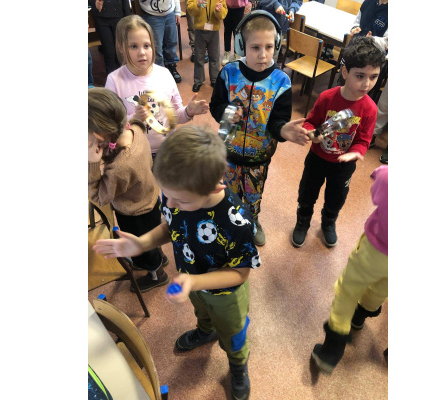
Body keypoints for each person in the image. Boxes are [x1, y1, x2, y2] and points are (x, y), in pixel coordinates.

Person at [93, 126, 260, 400]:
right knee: (202, 312)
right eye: (166, 195)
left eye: (179, 200)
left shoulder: (236, 221)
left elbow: (240, 272)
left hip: (225, 295)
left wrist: (195, 281)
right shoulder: (178, 194)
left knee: (233, 331)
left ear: (215, 187)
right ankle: (205, 330)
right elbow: (171, 226)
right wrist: (141, 243)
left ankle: (238, 362)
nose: (169, 204)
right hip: (191, 281)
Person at [210, 10, 311, 247]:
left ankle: (252, 220)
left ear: (277, 45)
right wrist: (227, 112)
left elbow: (278, 119)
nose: (263, 55)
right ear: (241, 45)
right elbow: (216, 106)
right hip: (228, 154)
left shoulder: (281, 81)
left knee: (254, 194)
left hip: (260, 158)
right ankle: (229, 220)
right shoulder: (229, 73)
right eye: (255, 47)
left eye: (269, 47)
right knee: (228, 192)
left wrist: (282, 131)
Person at [291, 36, 385, 248]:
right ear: (345, 72)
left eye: (374, 77)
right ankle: (303, 220)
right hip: (317, 158)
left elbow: (363, 140)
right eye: (360, 76)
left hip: (343, 166)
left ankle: (328, 222)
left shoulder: (370, 109)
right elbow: (311, 122)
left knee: (336, 198)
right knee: (307, 192)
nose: (367, 83)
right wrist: (311, 133)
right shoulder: (327, 97)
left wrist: (357, 152)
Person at [88, 87, 170, 292]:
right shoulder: (134, 129)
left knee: (143, 251)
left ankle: (156, 274)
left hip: (134, 213)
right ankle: (158, 256)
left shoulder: (120, 168)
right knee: (151, 236)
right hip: (150, 199)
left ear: (99, 134)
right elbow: (138, 123)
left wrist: (92, 163)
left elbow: (99, 197)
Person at [311, 165, 387, 374]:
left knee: (348, 291)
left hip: (376, 251)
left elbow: (380, 178)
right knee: (381, 289)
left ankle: (331, 350)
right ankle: (360, 316)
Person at [105, 15, 209, 160]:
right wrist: (135, 118)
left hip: (167, 151)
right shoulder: (114, 81)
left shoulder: (164, 74)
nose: (142, 52)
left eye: (146, 45)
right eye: (134, 46)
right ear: (122, 48)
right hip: (134, 155)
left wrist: (188, 111)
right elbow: (110, 127)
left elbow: (175, 116)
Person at [186, 0, 228, 92]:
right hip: (199, 30)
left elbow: (223, 14)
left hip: (214, 31)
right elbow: (190, 10)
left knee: (215, 57)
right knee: (199, 57)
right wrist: (197, 4)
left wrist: (218, 11)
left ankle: (215, 79)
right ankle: (198, 81)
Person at [138, 0, 183, 83]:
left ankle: (171, 66)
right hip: (152, 15)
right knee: (156, 47)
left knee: (171, 42)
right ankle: (157, 71)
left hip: (170, 13)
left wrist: (177, 11)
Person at [89, 0, 131, 74]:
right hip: (101, 17)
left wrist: (128, 19)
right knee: (109, 52)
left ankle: (125, 75)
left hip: (119, 17)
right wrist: (94, 3)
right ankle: (111, 78)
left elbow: (125, 3)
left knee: (121, 50)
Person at [221, 0, 248, 66]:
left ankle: (237, 53)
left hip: (239, 6)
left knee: (237, 32)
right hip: (226, 5)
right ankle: (227, 52)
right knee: (227, 30)